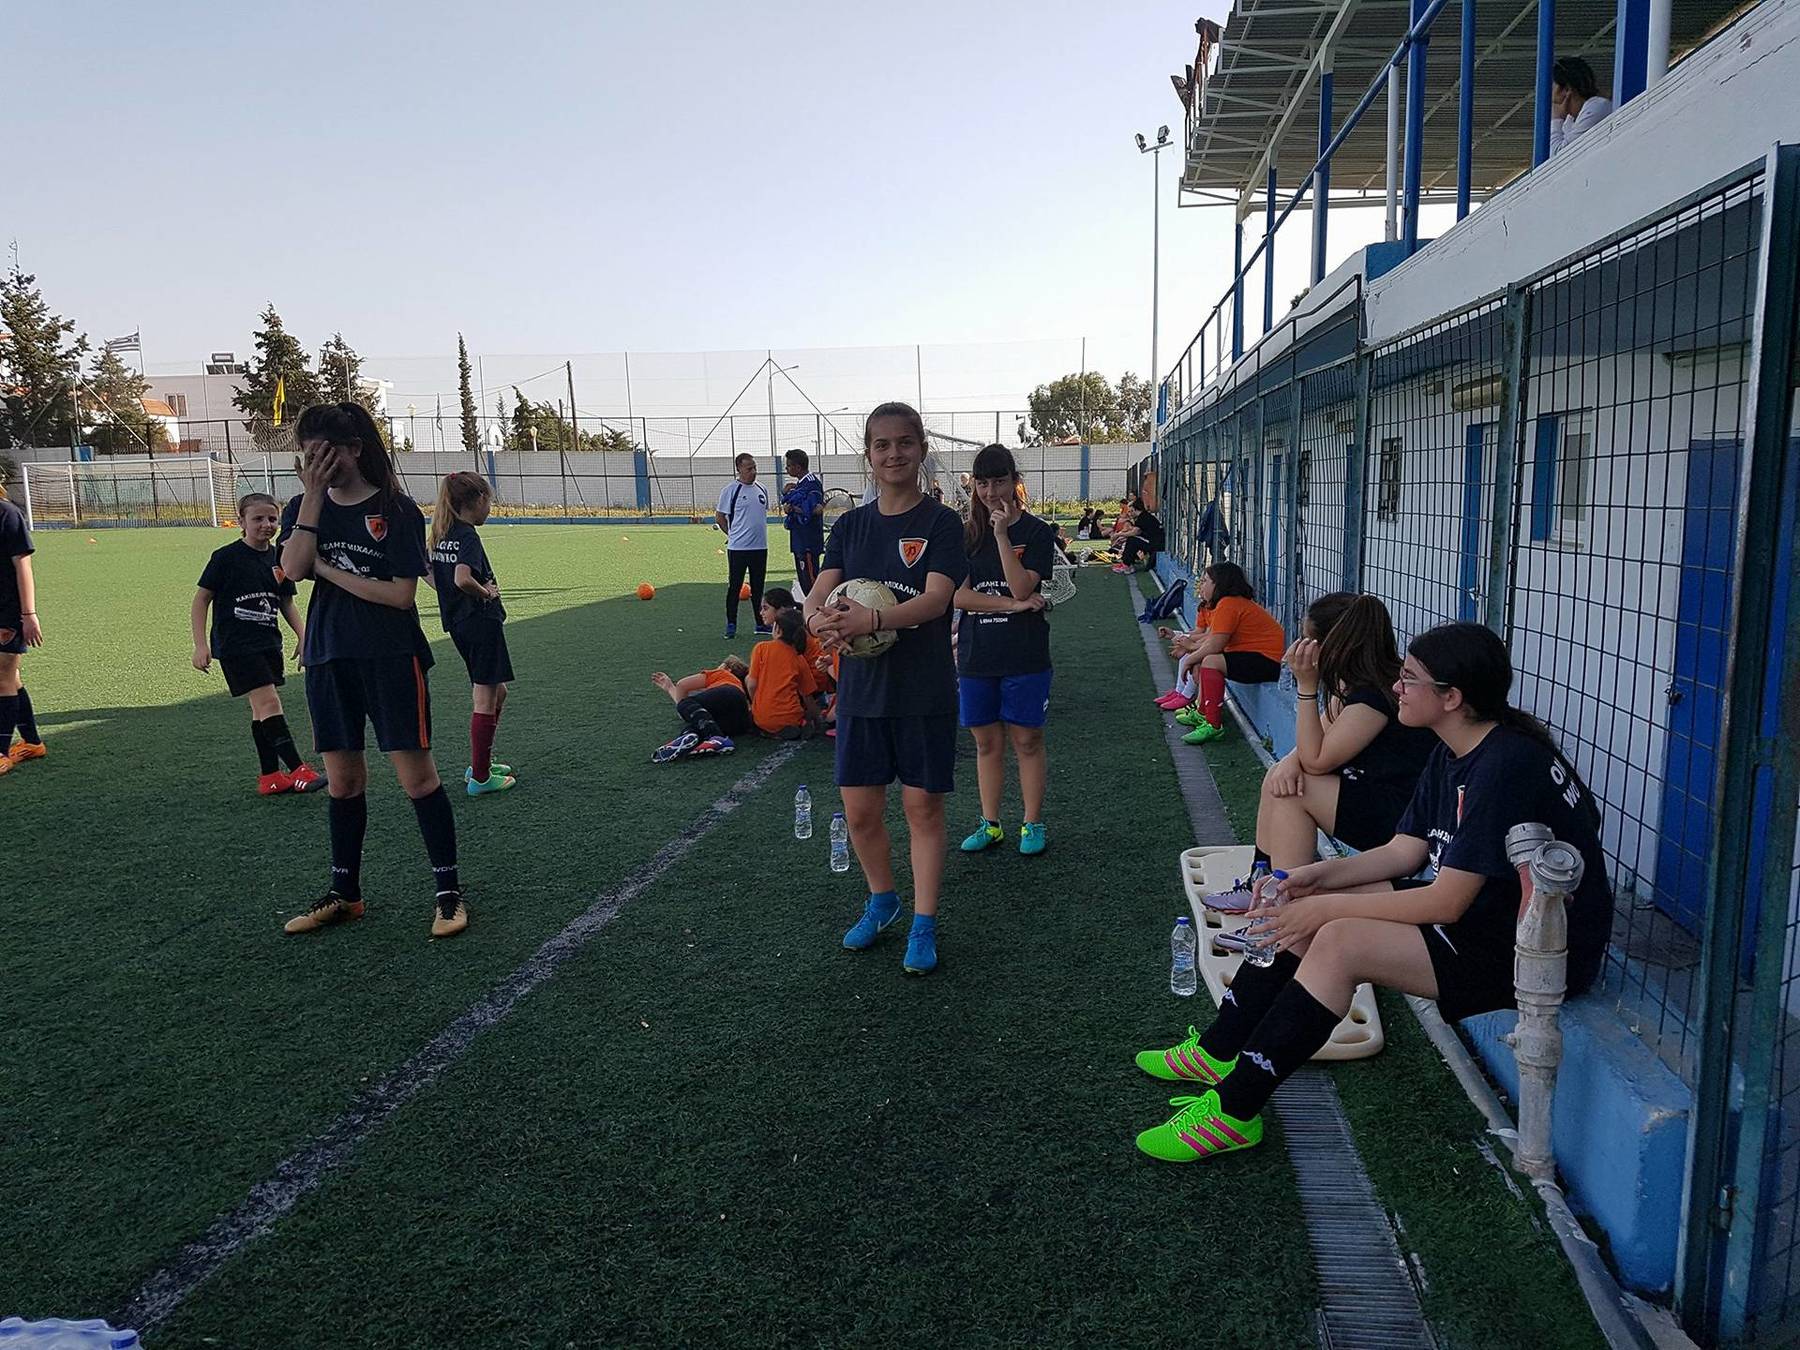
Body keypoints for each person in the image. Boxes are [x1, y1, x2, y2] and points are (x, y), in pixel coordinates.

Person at [1130, 622, 1612, 1162]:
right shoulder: (1457, 747)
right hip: (1485, 915)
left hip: (1533, 952)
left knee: (1339, 941)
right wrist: (1313, 879)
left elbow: (1446, 902)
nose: (1396, 688)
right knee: (1303, 906)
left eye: (1409, 679)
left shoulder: (1503, 766)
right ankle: (1219, 1050)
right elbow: (1405, 851)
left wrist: (1325, 909)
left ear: (1451, 697)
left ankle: (1233, 1110)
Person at [276, 402, 467, 940]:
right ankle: (346, 894)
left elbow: (401, 596)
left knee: (417, 779)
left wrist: (329, 569)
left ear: (355, 449)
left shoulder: (395, 509)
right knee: (343, 782)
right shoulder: (301, 508)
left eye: (327, 453)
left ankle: (448, 893)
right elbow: (291, 569)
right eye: (308, 455)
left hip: (391, 657)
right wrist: (313, 498)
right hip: (327, 657)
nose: (317, 464)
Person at [805, 401, 968, 975]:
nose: (893, 453)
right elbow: (818, 594)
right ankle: (883, 901)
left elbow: (937, 600)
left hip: (923, 690)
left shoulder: (942, 524)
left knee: (921, 809)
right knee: (859, 813)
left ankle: (923, 923)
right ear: (869, 455)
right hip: (862, 694)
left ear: (921, 449)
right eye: (882, 445)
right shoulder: (851, 526)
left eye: (904, 442)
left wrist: (872, 620)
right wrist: (818, 621)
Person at [1196, 593, 1437, 910]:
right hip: (1380, 797)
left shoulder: (1373, 698)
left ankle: (1282, 905)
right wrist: (1288, 762)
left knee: (1295, 792)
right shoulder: (1355, 683)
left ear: (1332, 645)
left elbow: (1316, 761)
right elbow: (1313, 744)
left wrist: (1306, 687)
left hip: (1404, 820)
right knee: (1280, 776)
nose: (1298, 648)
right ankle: (1261, 881)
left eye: (1307, 640)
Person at [953, 444, 1055, 857]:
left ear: (1015, 482)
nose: (991, 492)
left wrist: (1001, 536)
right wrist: (1011, 607)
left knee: (1027, 740)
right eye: (982, 483)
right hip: (978, 655)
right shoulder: (964, 536)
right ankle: (990, 823)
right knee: (985, 742)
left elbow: (1022, 586)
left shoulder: (1036, 532)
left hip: (1025, 654)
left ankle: (1032, 822)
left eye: (999, 481)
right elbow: (960, 597)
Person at [190, 492, 325, 795]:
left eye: (272, 519)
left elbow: (286, 602)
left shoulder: (280, 557)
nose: (267, 524)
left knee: (260, 710)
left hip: (268, 643)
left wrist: (303, 635)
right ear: (241, 521)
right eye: (258, 519)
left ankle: (270, 777)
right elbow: (201, 599)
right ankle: (299, 769)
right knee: (270, 702)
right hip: (237, 645)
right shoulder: (225, 558)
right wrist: (200, 645)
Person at [429, 472, 518, 798]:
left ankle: (481, 763)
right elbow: (462, 578)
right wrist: (486, 593)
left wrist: (448, 596)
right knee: (485, 696)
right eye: (489, 501)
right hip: (480, 622)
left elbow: (427, 569)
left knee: (498, 692)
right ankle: (480, 777)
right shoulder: (467, 536)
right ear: (477, 500)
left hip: (459, 624)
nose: (489, 508)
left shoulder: (442, 533)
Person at [1156, 562, 1284, 744]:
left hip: (1269, 661)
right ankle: (1202, 712)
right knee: (1206, 659)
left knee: (1211, 661)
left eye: (1205, 581)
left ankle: (1213, 725)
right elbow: (1211, 639)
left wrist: (1189, 660)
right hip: (1258, 657)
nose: (1201, 585)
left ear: (1219, 584)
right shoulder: (1226, 604)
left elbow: (1214, 645)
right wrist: (1191, 651)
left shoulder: (1229, 604)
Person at [0, 476, 46, 779]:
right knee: (10, 677)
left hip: (7, 611)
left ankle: (1, 753)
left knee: (1, 676)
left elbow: (23, 566)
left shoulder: (7, 513)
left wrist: (28, 613)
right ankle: (32, 742)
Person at [651, 656, 751, 761]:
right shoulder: (744, 693)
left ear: (728, 669)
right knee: (702, 724)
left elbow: (682, 685)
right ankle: (691, 734)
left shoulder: (723, 674)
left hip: (730, 693)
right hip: (740, 721)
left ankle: (715, 737)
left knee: (686, 705)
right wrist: (670, 688)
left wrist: (682, 708)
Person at [716, 453, 770, 638]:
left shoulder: (762, 489)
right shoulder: (731, 490)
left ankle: (760, 624)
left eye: (754, 468)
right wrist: (732, 535)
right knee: (735, 587)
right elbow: (720, 517)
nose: (753, 472)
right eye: (749, 468)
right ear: (739, 469)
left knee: (758, 587)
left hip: (760, 548)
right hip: (738, 549)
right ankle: (731, 624)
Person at [748, 608, 825, 739]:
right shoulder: (799, 658)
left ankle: (769, 730)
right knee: (802, 711)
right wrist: (818, 719)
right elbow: (807, 696)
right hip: (790, 717)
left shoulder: (761, 648)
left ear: (778, 630)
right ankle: (799, 725)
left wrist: (756, 704)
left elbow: (751, 685)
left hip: (762, 717)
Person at [781, 449, 827, 596]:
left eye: (789, 466)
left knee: (810, 583)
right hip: (800, 540)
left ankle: (817, 608)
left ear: (798, 467)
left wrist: (793, 508)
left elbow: (818, 509)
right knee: (804, 581)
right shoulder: (801, 484)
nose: (786, 469)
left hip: (808, 541)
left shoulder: (811, 483)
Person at [1547, 57, 1613, 157]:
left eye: (1552, 88)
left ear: (1567, 89)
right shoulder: (1569, 121)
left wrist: (1556, 119)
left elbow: (1559, 157)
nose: (1550, 96)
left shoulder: (1596, 108)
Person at [1113, 496, 1166, 571]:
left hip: (1156, 544)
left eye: (1131, 511)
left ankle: (1126, 565)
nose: (1130, 514)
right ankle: (1128, 562)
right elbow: (1137, 531)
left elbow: (1135, 532)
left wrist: (1118, 534)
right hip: (1155, 542)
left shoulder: (1142, 517)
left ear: (1135, 509)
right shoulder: (1145, 516)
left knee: (1132, 540)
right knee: (1133, 540)